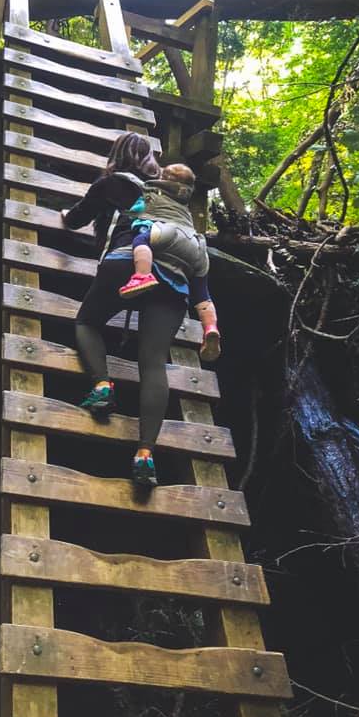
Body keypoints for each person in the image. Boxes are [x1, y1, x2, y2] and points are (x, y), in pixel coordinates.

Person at [61, 132, 219, 488]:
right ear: (140, 156)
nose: (157, 163)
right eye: (152, 156)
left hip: (126, 264)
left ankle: (102, 385)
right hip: (176, 281)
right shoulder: (177, 202)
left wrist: (65, 215)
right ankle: (145, 453)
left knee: (87, 322)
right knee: (153, 363)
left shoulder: (117, 183)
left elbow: (77, 218)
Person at [117, 161, 221, 363]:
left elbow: (134, 210)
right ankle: (210, 327)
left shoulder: (154, 193)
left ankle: (142, 275)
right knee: (202, 293)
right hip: (195, 243)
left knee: (141, 241)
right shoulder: (186, 205)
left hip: (166, 232)